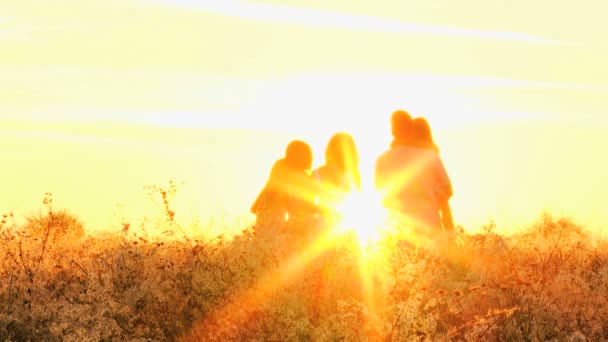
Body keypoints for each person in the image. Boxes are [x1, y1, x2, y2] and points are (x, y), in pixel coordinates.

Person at [375, 111, 454, 239]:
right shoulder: (430, 156)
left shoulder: (381, 161)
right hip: (432, 229)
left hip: (400, 232)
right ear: (410, 128)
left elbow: (384, 200)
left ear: (392, 131)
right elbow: (446, 193)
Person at [251, 140, 318, 229]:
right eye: (309, 156)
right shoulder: (294, 175)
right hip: (276, 220)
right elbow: (295, 206)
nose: (311, 159)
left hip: (267, 217)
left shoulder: (280, 167)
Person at [312, 132, 361, 222]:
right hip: (344, 223)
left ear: (330, 149)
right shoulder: (353, 174)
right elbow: (357, 202)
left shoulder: (317, 172)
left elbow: (309, 203)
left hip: (321, 221)